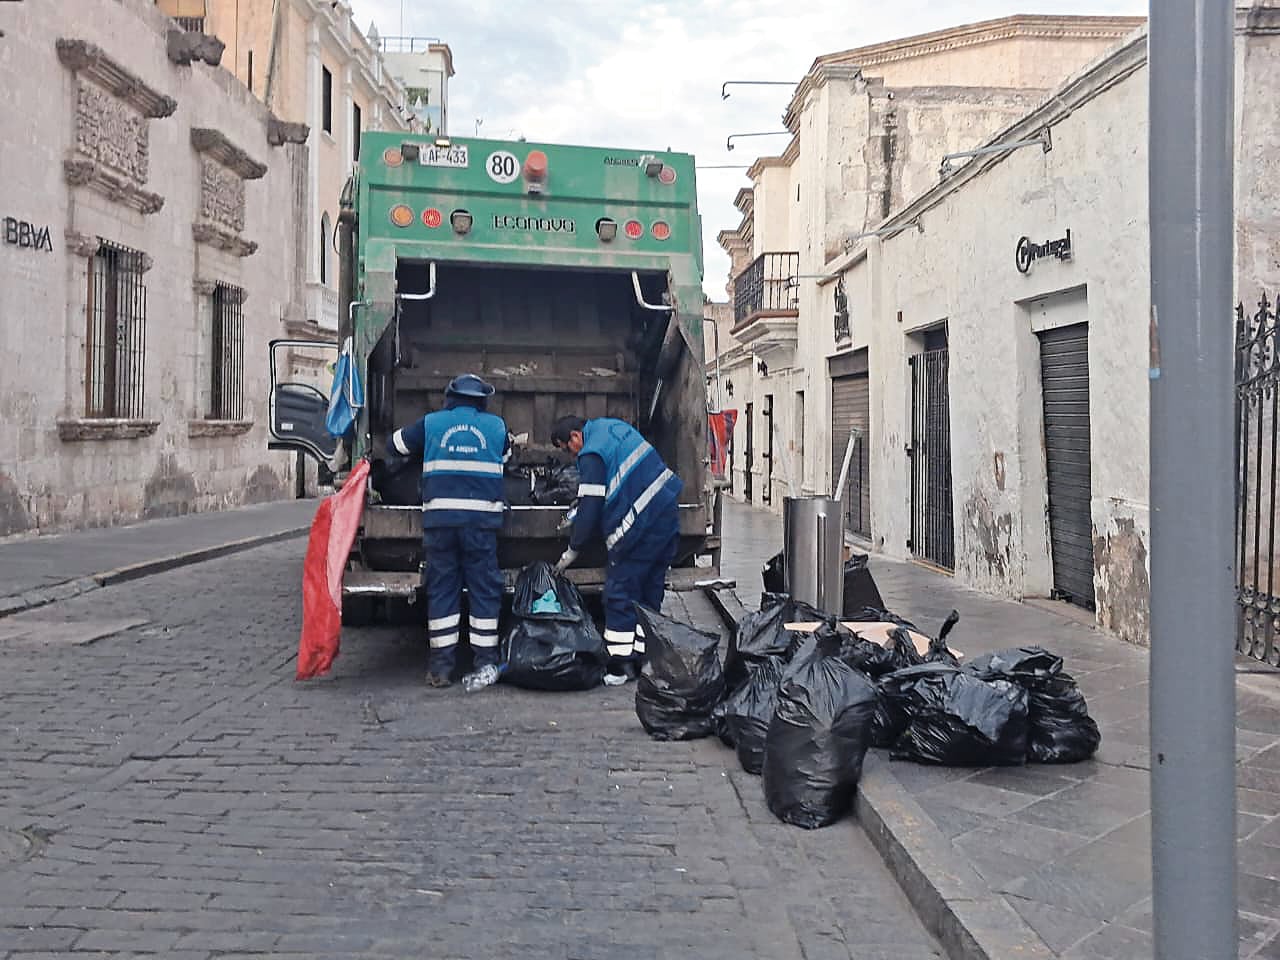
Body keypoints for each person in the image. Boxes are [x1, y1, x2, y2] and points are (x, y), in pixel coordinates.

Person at [390, 374, 510, 690]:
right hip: (481, 525)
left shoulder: (431, 423)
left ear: (450, 397)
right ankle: (485, 663)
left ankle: (441, 668)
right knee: (484, 591)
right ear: (482, 401)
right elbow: (506, 457)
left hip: (440, 523)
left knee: (443, 590)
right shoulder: (497, 427)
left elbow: (396, 444)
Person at [550, 415, 682, 686]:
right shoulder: (612, 427)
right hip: (666, 510)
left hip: (639, 524)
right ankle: (645, 658)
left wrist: (573, 549)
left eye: (566, 448)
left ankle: (620, 667)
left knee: (619, 593)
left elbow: (590, 507)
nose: (569, 454)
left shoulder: (591, 453)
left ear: (576, 437)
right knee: (649, 591)